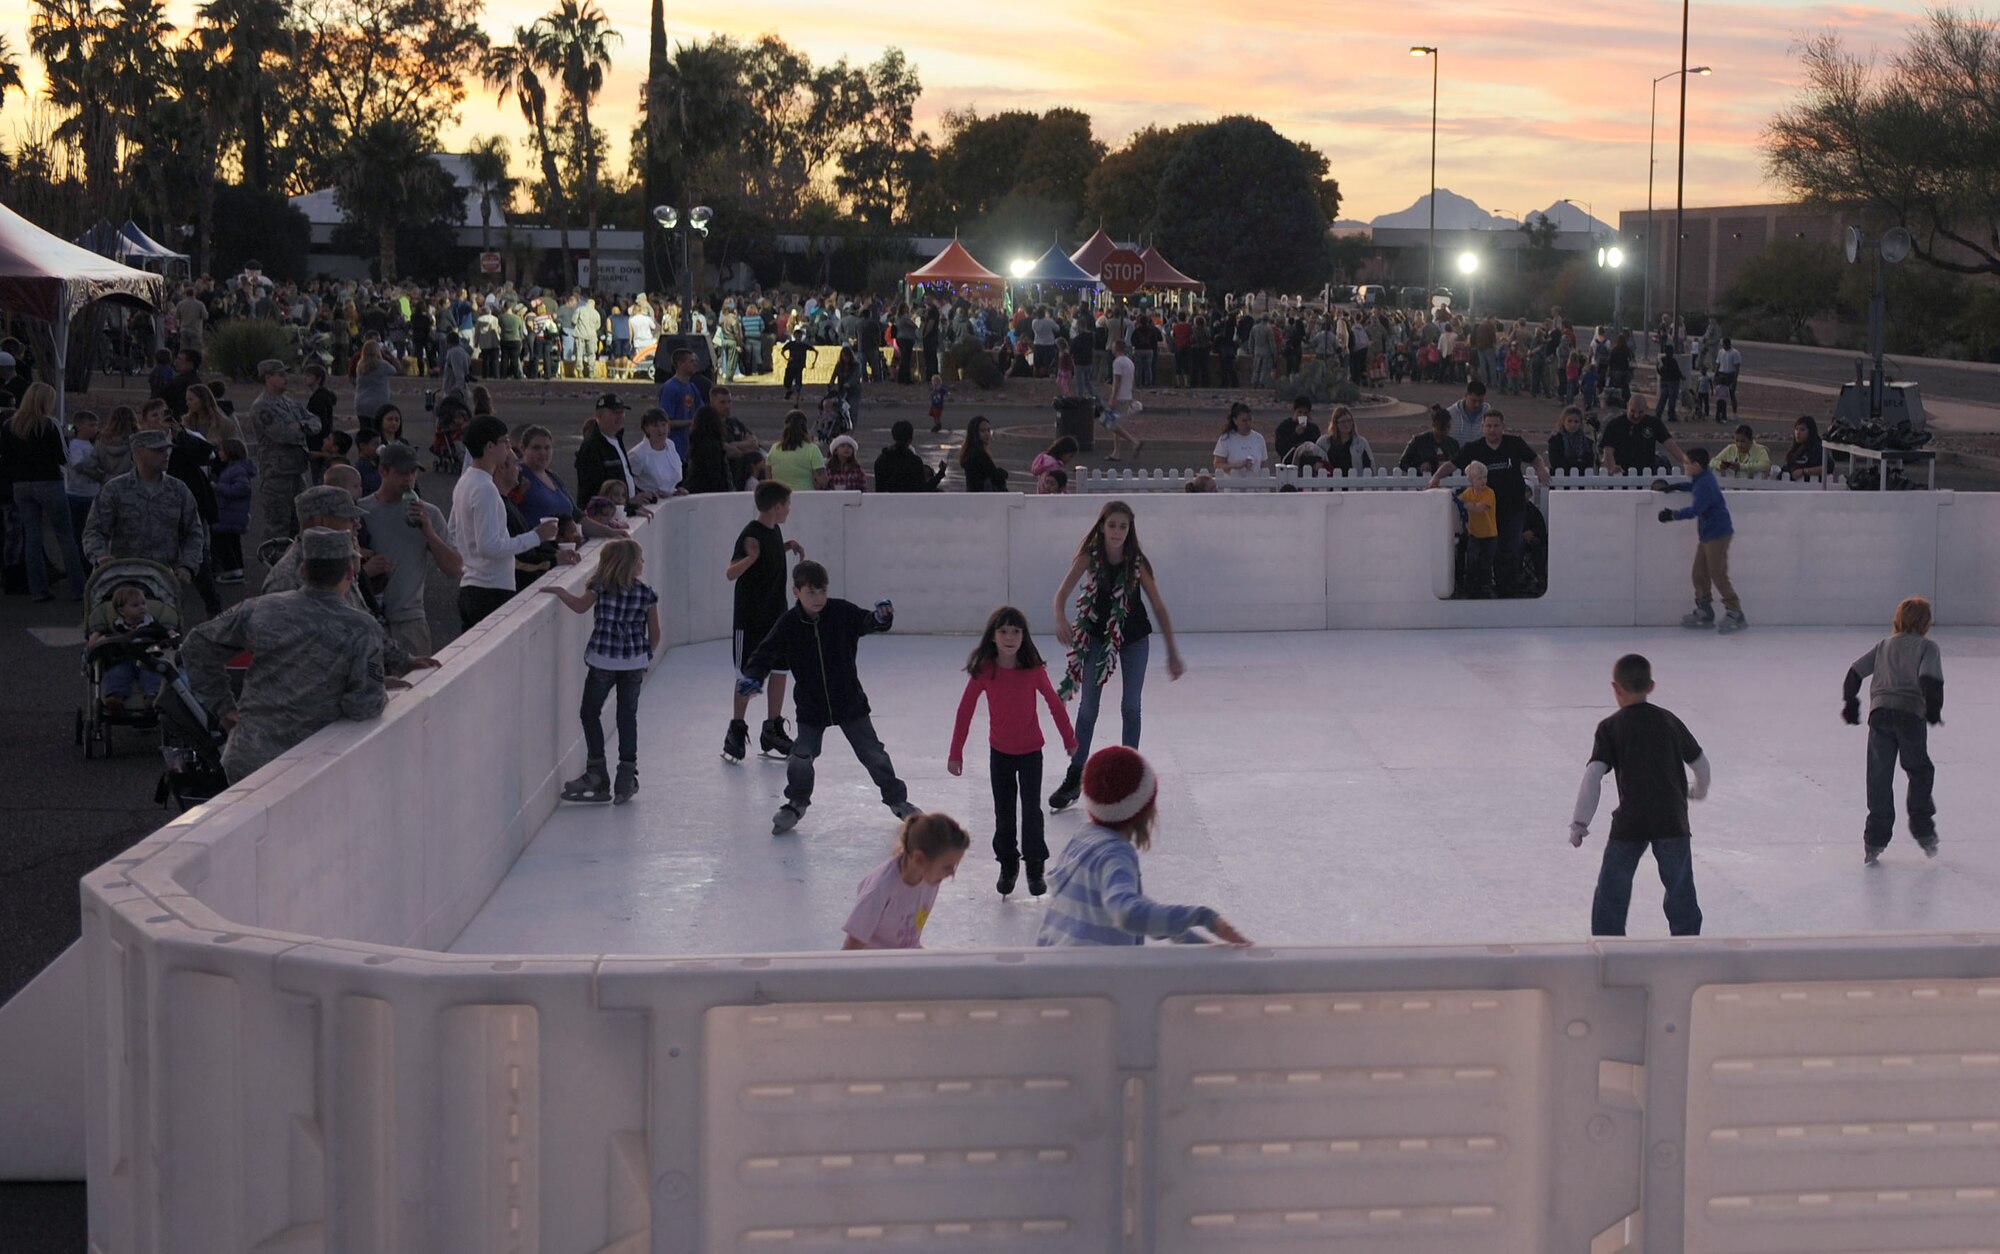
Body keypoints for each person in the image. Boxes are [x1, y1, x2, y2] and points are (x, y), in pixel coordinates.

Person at [181, 527, 388, 782]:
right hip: (311, 765)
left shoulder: (260, 608)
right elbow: (365, 705)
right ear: (349, 572)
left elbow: (196, 644)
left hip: (248, 758)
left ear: (302, 571)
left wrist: (224, 707)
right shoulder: (361, 628)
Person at [737, 560, 919, 835]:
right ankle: (795, 804)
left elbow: (867, 621)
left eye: (822, 591)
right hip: (812, 708)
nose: (818, 598)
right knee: (801, 756)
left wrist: (882, 617)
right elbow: (766, 652)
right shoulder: (789, 623)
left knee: (873, 753)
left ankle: (898, 801)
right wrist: (753, 676)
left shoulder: (840, 612)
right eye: (811, 592)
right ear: (796, 591)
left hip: (850, 703)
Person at [1047, 501, 1187, 811]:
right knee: (1087, 708)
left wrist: (1173, 652)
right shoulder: (1089, 557)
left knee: (1131, 707)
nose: (1117, 532)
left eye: (1123, 527)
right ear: (1101, 527)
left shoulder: (1137, 563)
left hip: (1135, 639)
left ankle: (1130, 775)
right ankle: (1075, 775)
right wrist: (1059, 616)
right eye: (1112, 525)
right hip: (1096, 637)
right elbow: (1062, 593)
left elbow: (1159, 606)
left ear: (1130, 530)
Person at [1036, 746, 1250, 946]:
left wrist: (1189, 940)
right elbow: (1127, 913)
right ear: (1143, 810)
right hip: (1089, 981)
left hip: (1052, 976)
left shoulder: (1084, 840)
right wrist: (1203, 917)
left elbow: (1130, 902)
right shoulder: (1115, 854)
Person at [1570, 653, 1709, 937]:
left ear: (1616, 688)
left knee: (1612, 890)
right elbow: (1700, 763)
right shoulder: (1669, 721)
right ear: (1651, 686)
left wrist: (1579, 824)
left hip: (1631, 821)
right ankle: (1688, 947)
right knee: (1680, 889)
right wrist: (1697, 791)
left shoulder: (1610, 727)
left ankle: (1608, 948)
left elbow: (1593, 777)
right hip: (1672, 820)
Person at [949, 606, 1077, 899]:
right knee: (1004, 814)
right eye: (1003, 631)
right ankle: (1008, 864)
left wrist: (1069, 739)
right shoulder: (985, 670)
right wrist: (956, 752)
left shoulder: (1033, 670)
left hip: (1032, 753)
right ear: (993, 637)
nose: (1010, 637)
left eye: (1016, 631)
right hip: (1001, 754)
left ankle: (1034, 866)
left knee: (1032, 812)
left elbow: (1055, 705)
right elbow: (964, 711)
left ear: (1024, 635)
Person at [544, 537, 660, 805]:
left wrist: (562, 593)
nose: (643, 563)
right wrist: (645, 657)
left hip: (603, 661)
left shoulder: (600, 588)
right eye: (640, 559)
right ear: (630, 564)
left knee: (590, 712)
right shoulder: (646, 593)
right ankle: (626, 776)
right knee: (626, 717)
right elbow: (655, 633)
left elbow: (580, 607)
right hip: (633, 663)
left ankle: (597, 772)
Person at [1843, 595, 1945, 865]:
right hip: (1910, 715)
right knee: (1919, 770)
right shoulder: (1927, 647)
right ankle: (1923, 829)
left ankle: (1874, 839)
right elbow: (1929, 680)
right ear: (1925, 623)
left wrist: (1851, 703)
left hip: (1880, 715)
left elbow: (1854, 673)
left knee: (1879, 776)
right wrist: (1933, 710)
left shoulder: (1884, 645)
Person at [450, 416, 559, 629]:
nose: (509, 447)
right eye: (505, 442)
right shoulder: (486, 489)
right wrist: (536, 536)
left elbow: (453, 530)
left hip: (472, 587)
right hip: (490, 591)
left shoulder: (466, 481)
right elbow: (490, 546)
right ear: (490, 447)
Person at [1426, 412, 1550, 598]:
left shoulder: (1514, 443)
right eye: (1489, 426)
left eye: (1496, 426)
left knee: (1510, 550)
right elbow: (1452, 464)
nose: (1492, 430)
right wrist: (1436, 477)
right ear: (1483, 427)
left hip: (1513, 508)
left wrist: (1541, 469)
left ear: (1503, 426)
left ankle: (1508, 590)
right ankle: (1481, 589)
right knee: (1484, 550)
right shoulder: (1474, 448)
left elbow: (1535, 458)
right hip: (1484, 511)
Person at [724, 480, 803, 761]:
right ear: (777, 506)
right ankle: (736, 727)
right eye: (788, 505)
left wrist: (786, 545)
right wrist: (751, 558)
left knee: (781, 670)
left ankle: (772, 726)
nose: (789, 510)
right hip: (752, 619)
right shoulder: (750, 535)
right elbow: (731, 573)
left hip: (777, 617)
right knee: (747, 674)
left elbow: (769, 551)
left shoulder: (773, 530)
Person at [360, 444, 461, 658]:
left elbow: (455, 569)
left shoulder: (428, 513)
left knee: (415, 687)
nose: (409, 479)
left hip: (410, 622)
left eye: (413, 472)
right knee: (373, 686)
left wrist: (429, 533)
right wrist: (365, 571)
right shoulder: (361, 512)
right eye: (402, 473)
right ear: (383, 472)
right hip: (365, 621)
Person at [1, 381, 88, 600]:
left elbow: (6, 458)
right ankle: (79, 587)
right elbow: (64, 457)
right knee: (65, 535)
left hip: (21, 484)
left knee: (32, 536)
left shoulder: (10, 425)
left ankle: (38, 589)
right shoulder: (50, 424)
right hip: (49, 482)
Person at [81, 429, 205, 582]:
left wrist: (187, 566)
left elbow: (194, 532)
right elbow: (94, 531)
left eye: (167, 449)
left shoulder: (178, 490)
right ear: (138, 453)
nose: (166, 454)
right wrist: (102, 557)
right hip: (124, 580)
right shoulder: (115, 490)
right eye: (158, 450)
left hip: (165, 579)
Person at [841, 812, 972, 950]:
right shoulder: (880, 888)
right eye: (947, 866)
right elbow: (851, 947)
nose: (952, 873)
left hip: (906, 960)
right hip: (876, 966)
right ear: (919, 859)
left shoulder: (929, 878)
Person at [1657, 447, 1746, 632]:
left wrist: (1673, 515)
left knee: (1717, 574)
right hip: (1707, 534)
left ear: (1697, 465)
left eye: (1687, 463)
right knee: (1699, 573)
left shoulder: (1705, 484)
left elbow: (1696, 509)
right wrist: (1676, 486)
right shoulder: (1702, 479)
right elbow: (1693, 487)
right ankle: (1704, 609)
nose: (1685, 466)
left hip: (1717, 534)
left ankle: (1735, 612)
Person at [249, 359, 313, 542]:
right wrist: (303, 429)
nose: (286, 378)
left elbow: (315, 422)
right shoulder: (262, 406)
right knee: (278, 526)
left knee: (300, 522)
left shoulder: (290, 402)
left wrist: (299, 425)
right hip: (276, 474)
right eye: (281, 375)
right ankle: (274, 566)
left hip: (296, 470)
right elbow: (283, 435)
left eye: (286, 374)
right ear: (268, 377)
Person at [90, 583, 165, 710]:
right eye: (136, 605)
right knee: (116, 673)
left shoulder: (151, 622)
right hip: (123, 659)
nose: (142, 608)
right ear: (121, 611)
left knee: (152, 673)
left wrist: (169, 635)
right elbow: (105, 634)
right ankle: (115, 697)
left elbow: (163, 634)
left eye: (143, 603)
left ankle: (153, 696)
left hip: (147, 658)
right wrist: (96, 636)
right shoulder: (116, 626)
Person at [1601, 393, 1685, 477]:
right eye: (1632, 411)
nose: (1636, 416)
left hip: (1648, 472)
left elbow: (1671, 445)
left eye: (1640, 412)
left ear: (1646, 408)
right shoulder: (1615, 425)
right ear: (1627, 406)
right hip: (1622, 473)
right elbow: (1608, 450)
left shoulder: (1654, 423)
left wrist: (1687, 463)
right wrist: (1612, 467)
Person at [575, 393, 636, 504]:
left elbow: (625, 475)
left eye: (622, 412)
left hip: (622, 510)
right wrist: (630, 506)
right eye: (615, 413)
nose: (620, 416)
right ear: (599, 415)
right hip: (604, 516)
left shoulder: (617, 439)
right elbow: (592, 492)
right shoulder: (591, 447)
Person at [210, 438, 254, 583]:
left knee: (222, 542)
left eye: (222, 450)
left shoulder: (236, 470)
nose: (219, 453)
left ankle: (232, 570)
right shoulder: (236, 468)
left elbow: (243, 488)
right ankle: (238, 568)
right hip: (233, 514)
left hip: (228, 514)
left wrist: (218, 487)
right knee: (233, 543)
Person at [1458, 460, 1499, 598]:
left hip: (1489, 535)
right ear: (1471, 480)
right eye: (1479, 478)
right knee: (1472, 562)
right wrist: (1456, 500)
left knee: (1486, 563)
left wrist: (1463, 505)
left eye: (1485, 477)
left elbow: (1479, 509)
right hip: (1474, 534)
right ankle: (1471, 589)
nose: (1483, 481)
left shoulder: (1489, 493)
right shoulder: (1468, 492)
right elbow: (1460, 499)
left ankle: (1486, 588)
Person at [1100, 341, 1145, 461]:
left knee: (1111, 424)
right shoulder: (1129, 362)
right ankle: (1116, 452)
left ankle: (1133, 441)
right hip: (1127, 396)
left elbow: (1117, 382)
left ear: (1116, 348)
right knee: (1116, 423)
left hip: (1119, 397)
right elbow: (1132, 381)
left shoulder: (1117, 362)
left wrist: (1112, 398)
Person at [873, 420, 946, 493]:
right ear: (910, 439)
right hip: (911, 503)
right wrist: (940, 474)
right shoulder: (914, 462)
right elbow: (923, 489)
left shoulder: (881, 460)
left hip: (887, 502)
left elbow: (879, 489)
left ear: (894, 436)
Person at [628, 407, 684, 500]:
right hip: (651, 504)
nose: (661, 430)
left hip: (672, 501)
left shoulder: (670, 445)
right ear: (646, 428)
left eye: (663, 424)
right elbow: (625, 480)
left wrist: (676, 491)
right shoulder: (637, 454)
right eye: (655, 426)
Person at [767, 410, 827, 491]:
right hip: (804, 495)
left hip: (780, 496)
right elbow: (823, 481)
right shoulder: (812, 449)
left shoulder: (774, 448)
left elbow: (768, 478)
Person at [658, 348, 702, 456]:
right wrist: (691, 422)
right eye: (691, 361)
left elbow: (701, 411)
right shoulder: (670, 388)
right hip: (674, 448)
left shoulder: (692, 387)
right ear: (680, 364)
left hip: (689, 448)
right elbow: (665, 422)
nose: (695, 364)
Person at [682, 405, 734, 494]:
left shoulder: (695, 443)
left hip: (693, 488)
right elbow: (715, 474)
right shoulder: (714, 445)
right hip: (710, 491)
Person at [1398, 406, 1460, 475]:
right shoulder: (1418, 441)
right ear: (1433, 425)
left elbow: (1460, 464)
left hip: (1449, 482)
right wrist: (1419, 469)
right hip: (1422, 482)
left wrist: (1449, 466)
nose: (1445, 431)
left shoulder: (1453, 444)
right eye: (1442, 429)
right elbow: (1403, 463)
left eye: (1448, 428)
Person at [1314, 404, 1373, 473]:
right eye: (1343, 422)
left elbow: (1370, 465)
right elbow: (1314, 459)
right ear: (1336, 424)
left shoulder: (1361, 443)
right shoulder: (1324, 442)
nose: (1347, 424)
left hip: (1354, 481)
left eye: (1349, 421)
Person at [1211, 402, 1266, 474]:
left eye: (1250, 420)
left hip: (1255, 482)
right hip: (1232, 483)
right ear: (1235, 420)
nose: (1248, 424)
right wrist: (1236, 466)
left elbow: (1264, 465)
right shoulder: (1226, 439)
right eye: (1244, 421)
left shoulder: (1259, 438)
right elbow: (1217, 464)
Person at [959, 415, 1009, 491]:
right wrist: (1002, 473)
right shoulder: (978, 454)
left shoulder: (969, 451)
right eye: (982, 431)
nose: (987, 434)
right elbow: (995, 476)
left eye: (988, 430)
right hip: (982, 497)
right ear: (975, 433)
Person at [1546, 405, 1596, 475]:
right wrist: (1578, 461)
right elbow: (1556, 463)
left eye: (1576, 421)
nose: (1573, 425)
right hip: (1559, 480)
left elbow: (1588, 464)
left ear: (1580, 423)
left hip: (1581, 481)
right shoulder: (1555, 440)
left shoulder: (1588, 442)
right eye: (1569, 421)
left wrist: (1568, 461)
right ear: (1563, 421)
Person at [1272, 395, 1318, 463]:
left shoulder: (1313, 429)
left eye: (1305, 413)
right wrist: (1296, 434)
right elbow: (1280, 449)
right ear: (1294, 411)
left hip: (1309, 467)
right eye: (1299, 412)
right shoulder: (1284, 426)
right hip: (1288, 466)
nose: (1302, 415)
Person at [1443, 379, 1489, 446]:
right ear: (1466, 395)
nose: (1477, 404)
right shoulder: (1449, 414)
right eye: (1473, 400)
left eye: (1480, 401)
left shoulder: (1491, 416)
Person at [1780, 416, 1824, 481]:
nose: (1798, 433)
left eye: (1802, 429)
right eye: (1796, 429)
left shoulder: (1817, 448)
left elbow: (1827, 467)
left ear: (1810, 431)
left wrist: (1803, 471)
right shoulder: (1795, 449)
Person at [1714, 338, 1742, 423]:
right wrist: (1716, 374)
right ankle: (1721, 413)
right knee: (1721, 396)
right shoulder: (1720, 352)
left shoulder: (1735, 353)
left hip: (1730, 374)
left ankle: (1734, 413)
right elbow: (1718, 363)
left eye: (1725, 345)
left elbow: (1737, 367)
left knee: (1731, 394)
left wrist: (1735, 380)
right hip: (1722, 373)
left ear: (1729, 344)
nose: (1724, 346)